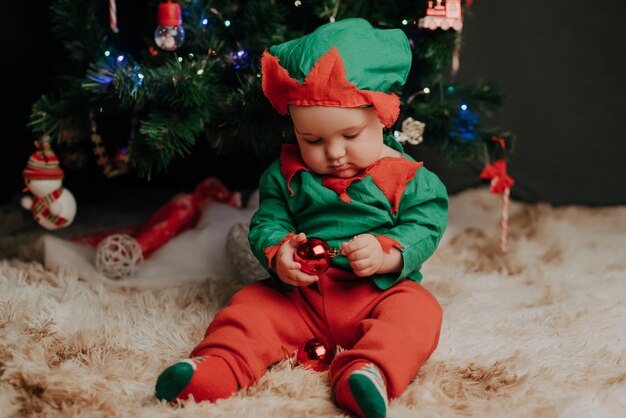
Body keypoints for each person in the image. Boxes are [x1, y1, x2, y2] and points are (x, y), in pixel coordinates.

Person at [155, 18, 448, 418]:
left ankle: (370, 370)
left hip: (376, 293)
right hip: (302, 296)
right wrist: (280, 253)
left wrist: (388, 254)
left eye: (350, 136)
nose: (334, 153)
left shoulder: (409, 178)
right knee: (250, 305)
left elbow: (425, 225)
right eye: (313, 140)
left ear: (382, 117)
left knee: (420, 311)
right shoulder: (286, 175)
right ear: (296, 130)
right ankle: (218, 366)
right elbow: (268, 223)